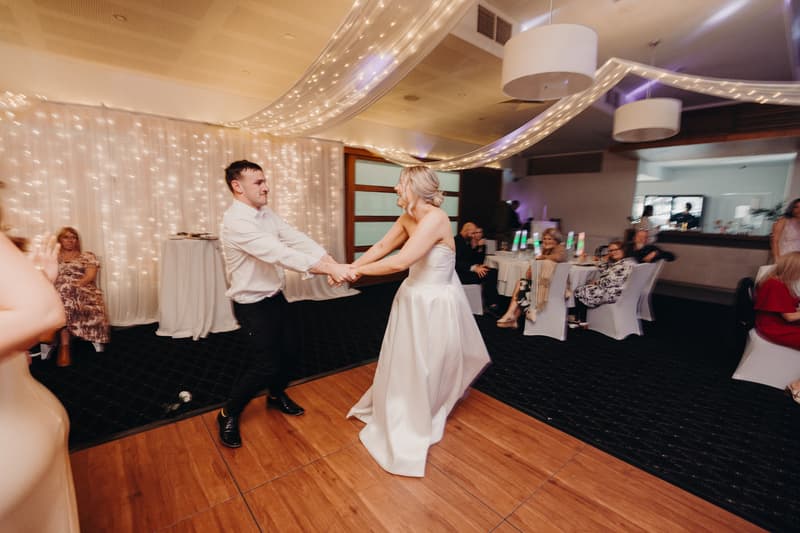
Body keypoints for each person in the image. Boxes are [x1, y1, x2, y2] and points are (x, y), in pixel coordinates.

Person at [345, 166, 491, 477]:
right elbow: (383, 248)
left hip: (433, 302)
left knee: (428, 362)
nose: (396, 189)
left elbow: (399, 261)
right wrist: (351, 267)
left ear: (414, 187)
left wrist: (352, 273)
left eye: (400, 184)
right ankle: (399, 405)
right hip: (411, 297)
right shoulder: (407, 217)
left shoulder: (436, 219)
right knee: (404, 359)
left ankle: (416, 415)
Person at [216, 160, 352, 448]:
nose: (266, 187)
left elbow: (294, 238)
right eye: (258, 183)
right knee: (264, 365)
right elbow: (278, 253)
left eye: (265, 181)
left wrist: (328, 260)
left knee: (291, 352)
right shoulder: (236, 222)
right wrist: (328, 270)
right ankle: (228, 413)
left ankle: (276, 395)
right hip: (251, 304)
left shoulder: (265, 213)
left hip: (275, 297)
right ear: (237, 187)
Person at [0, 220, 80, 530]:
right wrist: (38, 298)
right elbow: (46, 315)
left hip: (31, 426)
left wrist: (43, 281)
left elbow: (40, 332)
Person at [48, 226, 111, 366]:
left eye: (73, 237)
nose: (70, 240)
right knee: (62, 295)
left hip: (83, 288)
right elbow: (48, 276)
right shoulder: (54, 257)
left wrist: (73, 285)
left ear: (77, 240)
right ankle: (64, 346)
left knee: (64, 295)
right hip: (58, 290)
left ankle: (64, 346)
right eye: (66, 237)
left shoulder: (87, 256)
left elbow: (90, 276)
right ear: (60, 240)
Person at [496, 227, 568, 328]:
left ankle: (513, 315)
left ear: (556, 240)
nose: (546, 241)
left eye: (550, 239)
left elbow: (559, 258)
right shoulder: (544, 252)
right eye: (545, 239)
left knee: (521, 285)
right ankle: (512, 316)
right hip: (541, 285)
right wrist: (536, 262)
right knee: (521, 284)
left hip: (551, 288)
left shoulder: (560, 250)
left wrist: (542, 259)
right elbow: (528, 275)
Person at [753, 251, 800, 405]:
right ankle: (796, 386)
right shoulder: (776, 285)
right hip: (773, 327)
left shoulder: (776, 281)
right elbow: (789, 316)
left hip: (773, 323)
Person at [571, 240, 634, 328]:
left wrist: (596, 282)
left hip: (613, 293)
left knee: (580, 290)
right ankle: (580, 320)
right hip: (619, 292)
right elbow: (607, 272)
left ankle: (581, 320)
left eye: (616, 249)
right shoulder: (625, 262)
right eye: (611, 251)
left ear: (623, 249)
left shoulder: (623, 265)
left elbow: (610, 281)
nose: (613, 252)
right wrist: (602, 261)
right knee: (585, 288)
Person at [455, 221, 500, 316]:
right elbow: (456, 262)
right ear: (466, 231)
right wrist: (474, 268)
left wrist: (479, 248)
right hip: (461, 274)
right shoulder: (457, 241)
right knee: (490, 274)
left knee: (492, 271)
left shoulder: (468, 241)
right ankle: (491, 304)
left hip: (468, 270)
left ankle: (491, 302)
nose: (474, 235)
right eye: (473, 233)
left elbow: (476, 259)